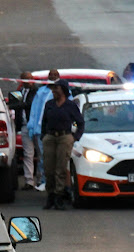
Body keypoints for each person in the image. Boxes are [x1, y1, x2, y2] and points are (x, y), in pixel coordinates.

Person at [41, 79, 84, 210]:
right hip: (50, 137)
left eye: (57, 88)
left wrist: (75, 137)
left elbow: (80, 122)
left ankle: (59, 196)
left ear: (63, 90)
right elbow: (44, 121)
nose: (54, 91)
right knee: (48, 168)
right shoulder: (49, 104)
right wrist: (44, 136)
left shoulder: (70, 106)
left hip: (64, 137)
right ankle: (51, 194)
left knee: (60, 168)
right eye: (53, 89)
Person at [28, 69, 60, 191]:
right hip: (40, 130)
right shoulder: (41, 92)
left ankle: (56, 182)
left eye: (55, 75)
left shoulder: (63, 93)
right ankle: (43, 181)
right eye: (50, 75)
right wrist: (32, 126)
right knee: (43, 157)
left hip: (56, 130)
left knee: (57, 157)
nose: (52, 77)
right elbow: (35, 111)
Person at [14, 71, 38, 190]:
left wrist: (15, 105)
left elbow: (29, 104)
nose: (29, 81)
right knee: (28, 154)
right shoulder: (20, 92)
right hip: (24, 126)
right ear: (21, 80)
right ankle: (29, 180)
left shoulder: (36, 92)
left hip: (36, 126)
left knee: (41, 154)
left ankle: (43, 180)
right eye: (26, 79)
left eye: (30, 79)